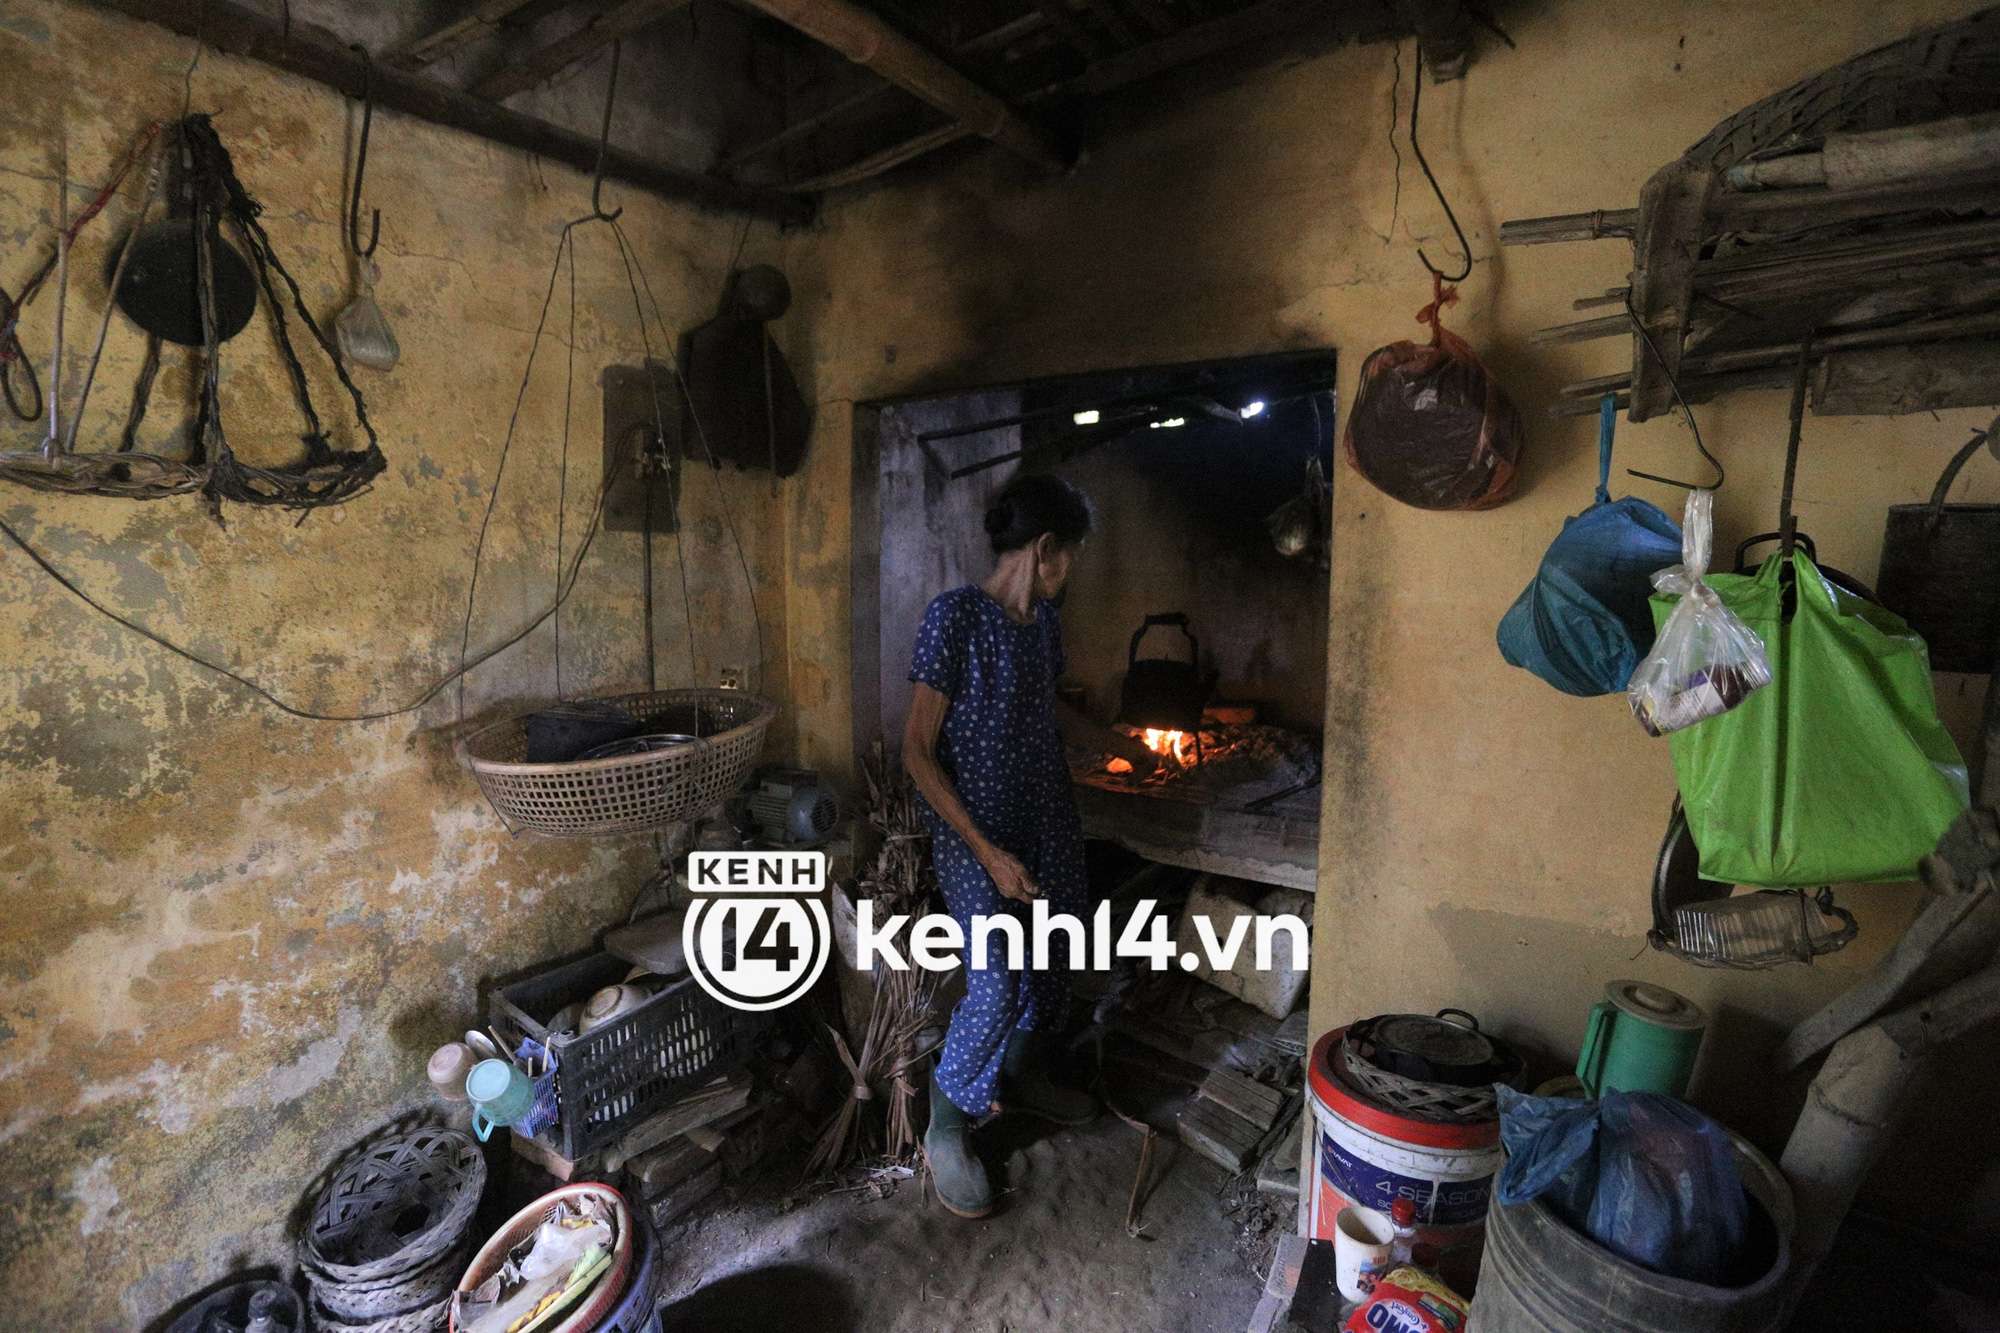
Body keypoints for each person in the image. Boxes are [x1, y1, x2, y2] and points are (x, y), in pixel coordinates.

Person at [903, 473, 1159, 1218]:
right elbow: (917, 751)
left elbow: (1045, 707)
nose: (1071, 569)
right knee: (997, 984)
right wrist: (985, 851)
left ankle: (1021, 1073)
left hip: (1044, 813)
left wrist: (1119, 747)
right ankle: (945, 1128)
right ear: (1046, 548)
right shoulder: (953, 618)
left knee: (1051, 960)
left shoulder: (1042, 625)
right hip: (972, 830)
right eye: (1071, 554)